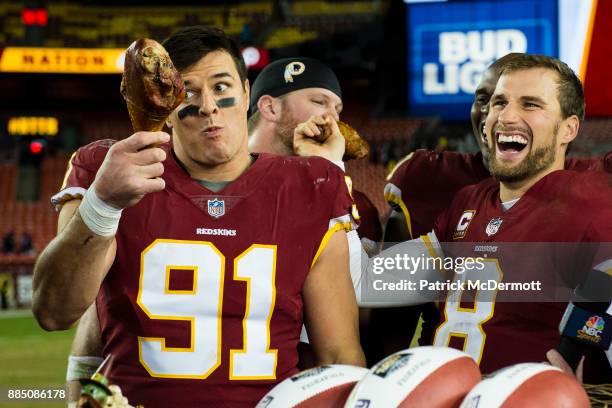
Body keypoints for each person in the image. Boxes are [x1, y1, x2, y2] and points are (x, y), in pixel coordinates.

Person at [32, 26, 364, 407]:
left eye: (221, 88)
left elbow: (338, 356)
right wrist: (104, 203)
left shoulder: (312, 184)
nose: (208, 106)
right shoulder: (111, 171)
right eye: (188, 92)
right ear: (167, 110)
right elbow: (53, 311)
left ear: (246, 95)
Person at [355, 54, 611, 382]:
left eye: (530, 104)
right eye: (498, 102)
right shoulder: (469, 201)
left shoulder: (588, 202)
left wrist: (578, 351)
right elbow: (370, 285)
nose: (505, 116)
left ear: (568, 128)